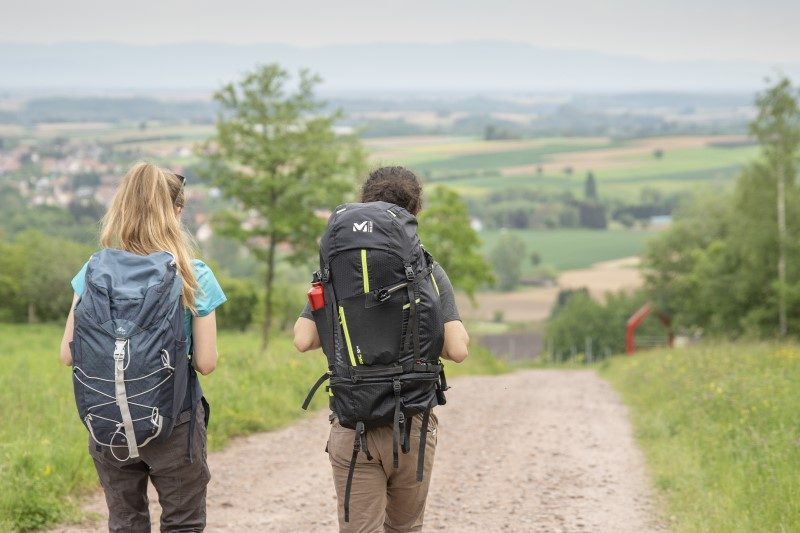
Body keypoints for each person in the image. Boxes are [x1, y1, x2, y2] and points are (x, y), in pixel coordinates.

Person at [293, 166, 470, 532]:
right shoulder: (427, 270)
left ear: (364, 203)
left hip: (351, 420)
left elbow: (303, 340)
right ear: (413, 212)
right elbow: (458, 350)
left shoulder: (335, 270)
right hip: (412, 423)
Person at [59, 162, 226, 532]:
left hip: (107, 421)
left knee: (125, 520)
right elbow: (207, 362)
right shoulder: (193, 275)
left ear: (122, 208)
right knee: (182, 522)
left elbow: (68, 353)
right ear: (177, 213)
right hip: (174, 422)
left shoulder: (92, 271)